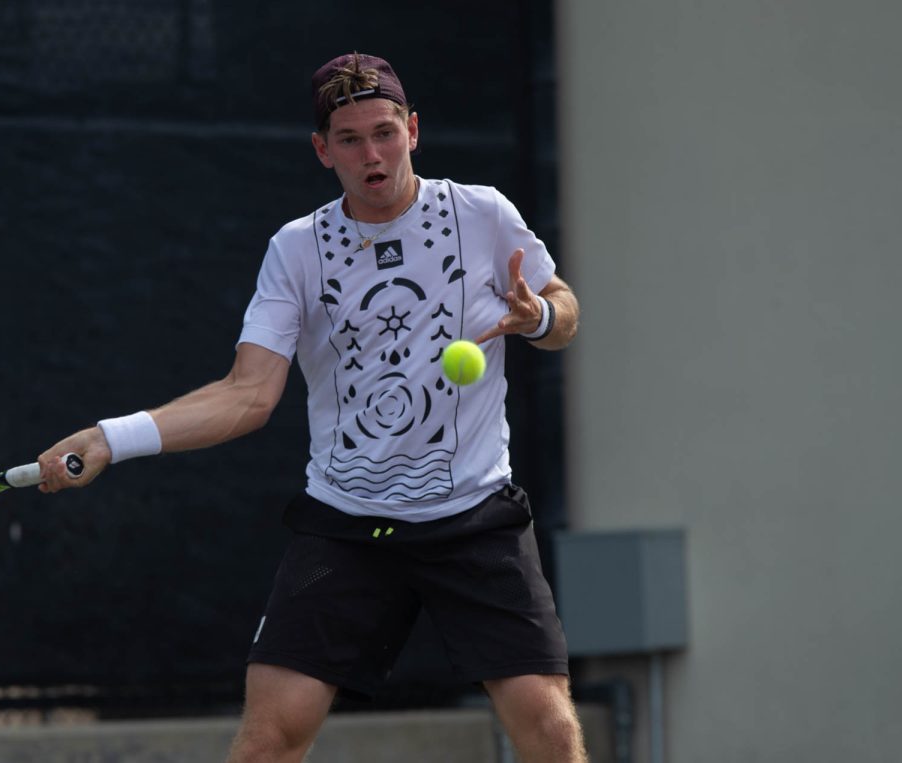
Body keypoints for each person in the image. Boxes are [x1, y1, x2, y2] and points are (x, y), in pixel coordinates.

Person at [38, 51, 585, 763]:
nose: (373, 154)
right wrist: (111, 438)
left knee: (550, 728)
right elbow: (247, 394)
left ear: (413, 129)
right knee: (269, 737)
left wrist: (538, 316)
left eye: (385, 132)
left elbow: (566, 309)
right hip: (348, 526)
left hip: (473, 517)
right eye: (351, 140)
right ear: (323, 150)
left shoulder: (483, 214)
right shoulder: (296, 250)